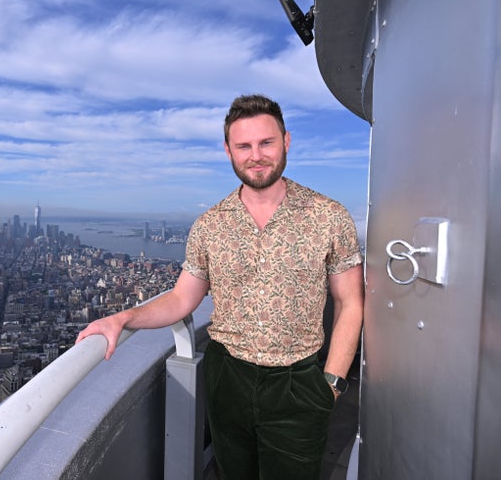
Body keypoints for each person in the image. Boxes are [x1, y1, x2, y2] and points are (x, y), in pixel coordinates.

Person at [76, 94, 364, 479]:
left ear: (287, 142)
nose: (256, 155)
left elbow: (350, 302)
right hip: (228, 377)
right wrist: (124, 317)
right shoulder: (210, 225)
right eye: (243, 146)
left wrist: (331, 383)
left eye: (266, 143)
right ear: (228, 150)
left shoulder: (328, 216)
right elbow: (181, 298)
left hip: (299, 382)